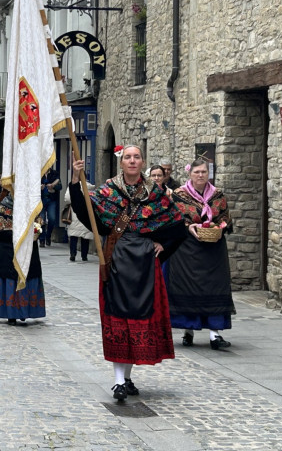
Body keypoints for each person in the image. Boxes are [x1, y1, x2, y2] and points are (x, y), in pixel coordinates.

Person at [69, 145, 186, 401]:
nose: (132, 161)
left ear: (142, 162)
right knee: (117, 318)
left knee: (138, 318)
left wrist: (162, 245)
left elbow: (178, 224)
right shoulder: (108, 190)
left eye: (137, 157)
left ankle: (128, 377)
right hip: (116, 260)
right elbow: (87, 212)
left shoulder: (155, 193)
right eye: (128, 158)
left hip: (144, 264)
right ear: (121, 163)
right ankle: (119, 381)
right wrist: (76, 182)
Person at [167, 159, 235, 350]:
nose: (200, 175)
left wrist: (220, 227)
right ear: (190, 174)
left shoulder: (218, 195)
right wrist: (190, 227)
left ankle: (215, 334)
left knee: (214, 288)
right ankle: (188, 331)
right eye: (197, 172)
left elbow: (226, 220)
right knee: (189, 288)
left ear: (208, 173)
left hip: (213, 249)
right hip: (187, 250)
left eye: (204, 172)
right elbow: (173, 220)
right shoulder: (178, 196)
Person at [0, 192, 45, 325]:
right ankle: (11, 314)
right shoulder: (6, 203)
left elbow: (38, 221)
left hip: (28, 248)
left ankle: (26, 311)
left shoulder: (31, 204)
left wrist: (36, 229)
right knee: (10, 277)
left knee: (29, 274)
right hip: (8, 248)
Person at [63, 182, 95, 262]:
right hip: (86, 213)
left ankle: (73, 254)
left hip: (75, 213)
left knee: (73, 235)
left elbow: (67, 198)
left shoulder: (72, 186)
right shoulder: (90, 187)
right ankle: (84, 256)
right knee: (85, 236)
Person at [39, 167, 62, 247]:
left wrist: (53, 186)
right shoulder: (39, 173)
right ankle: (42, 239)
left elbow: (60, 186)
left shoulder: (54, 173)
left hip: (51, 199)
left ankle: (48, 236)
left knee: (52, 219)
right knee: (41, 220)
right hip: (41, 200)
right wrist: (40, 187)